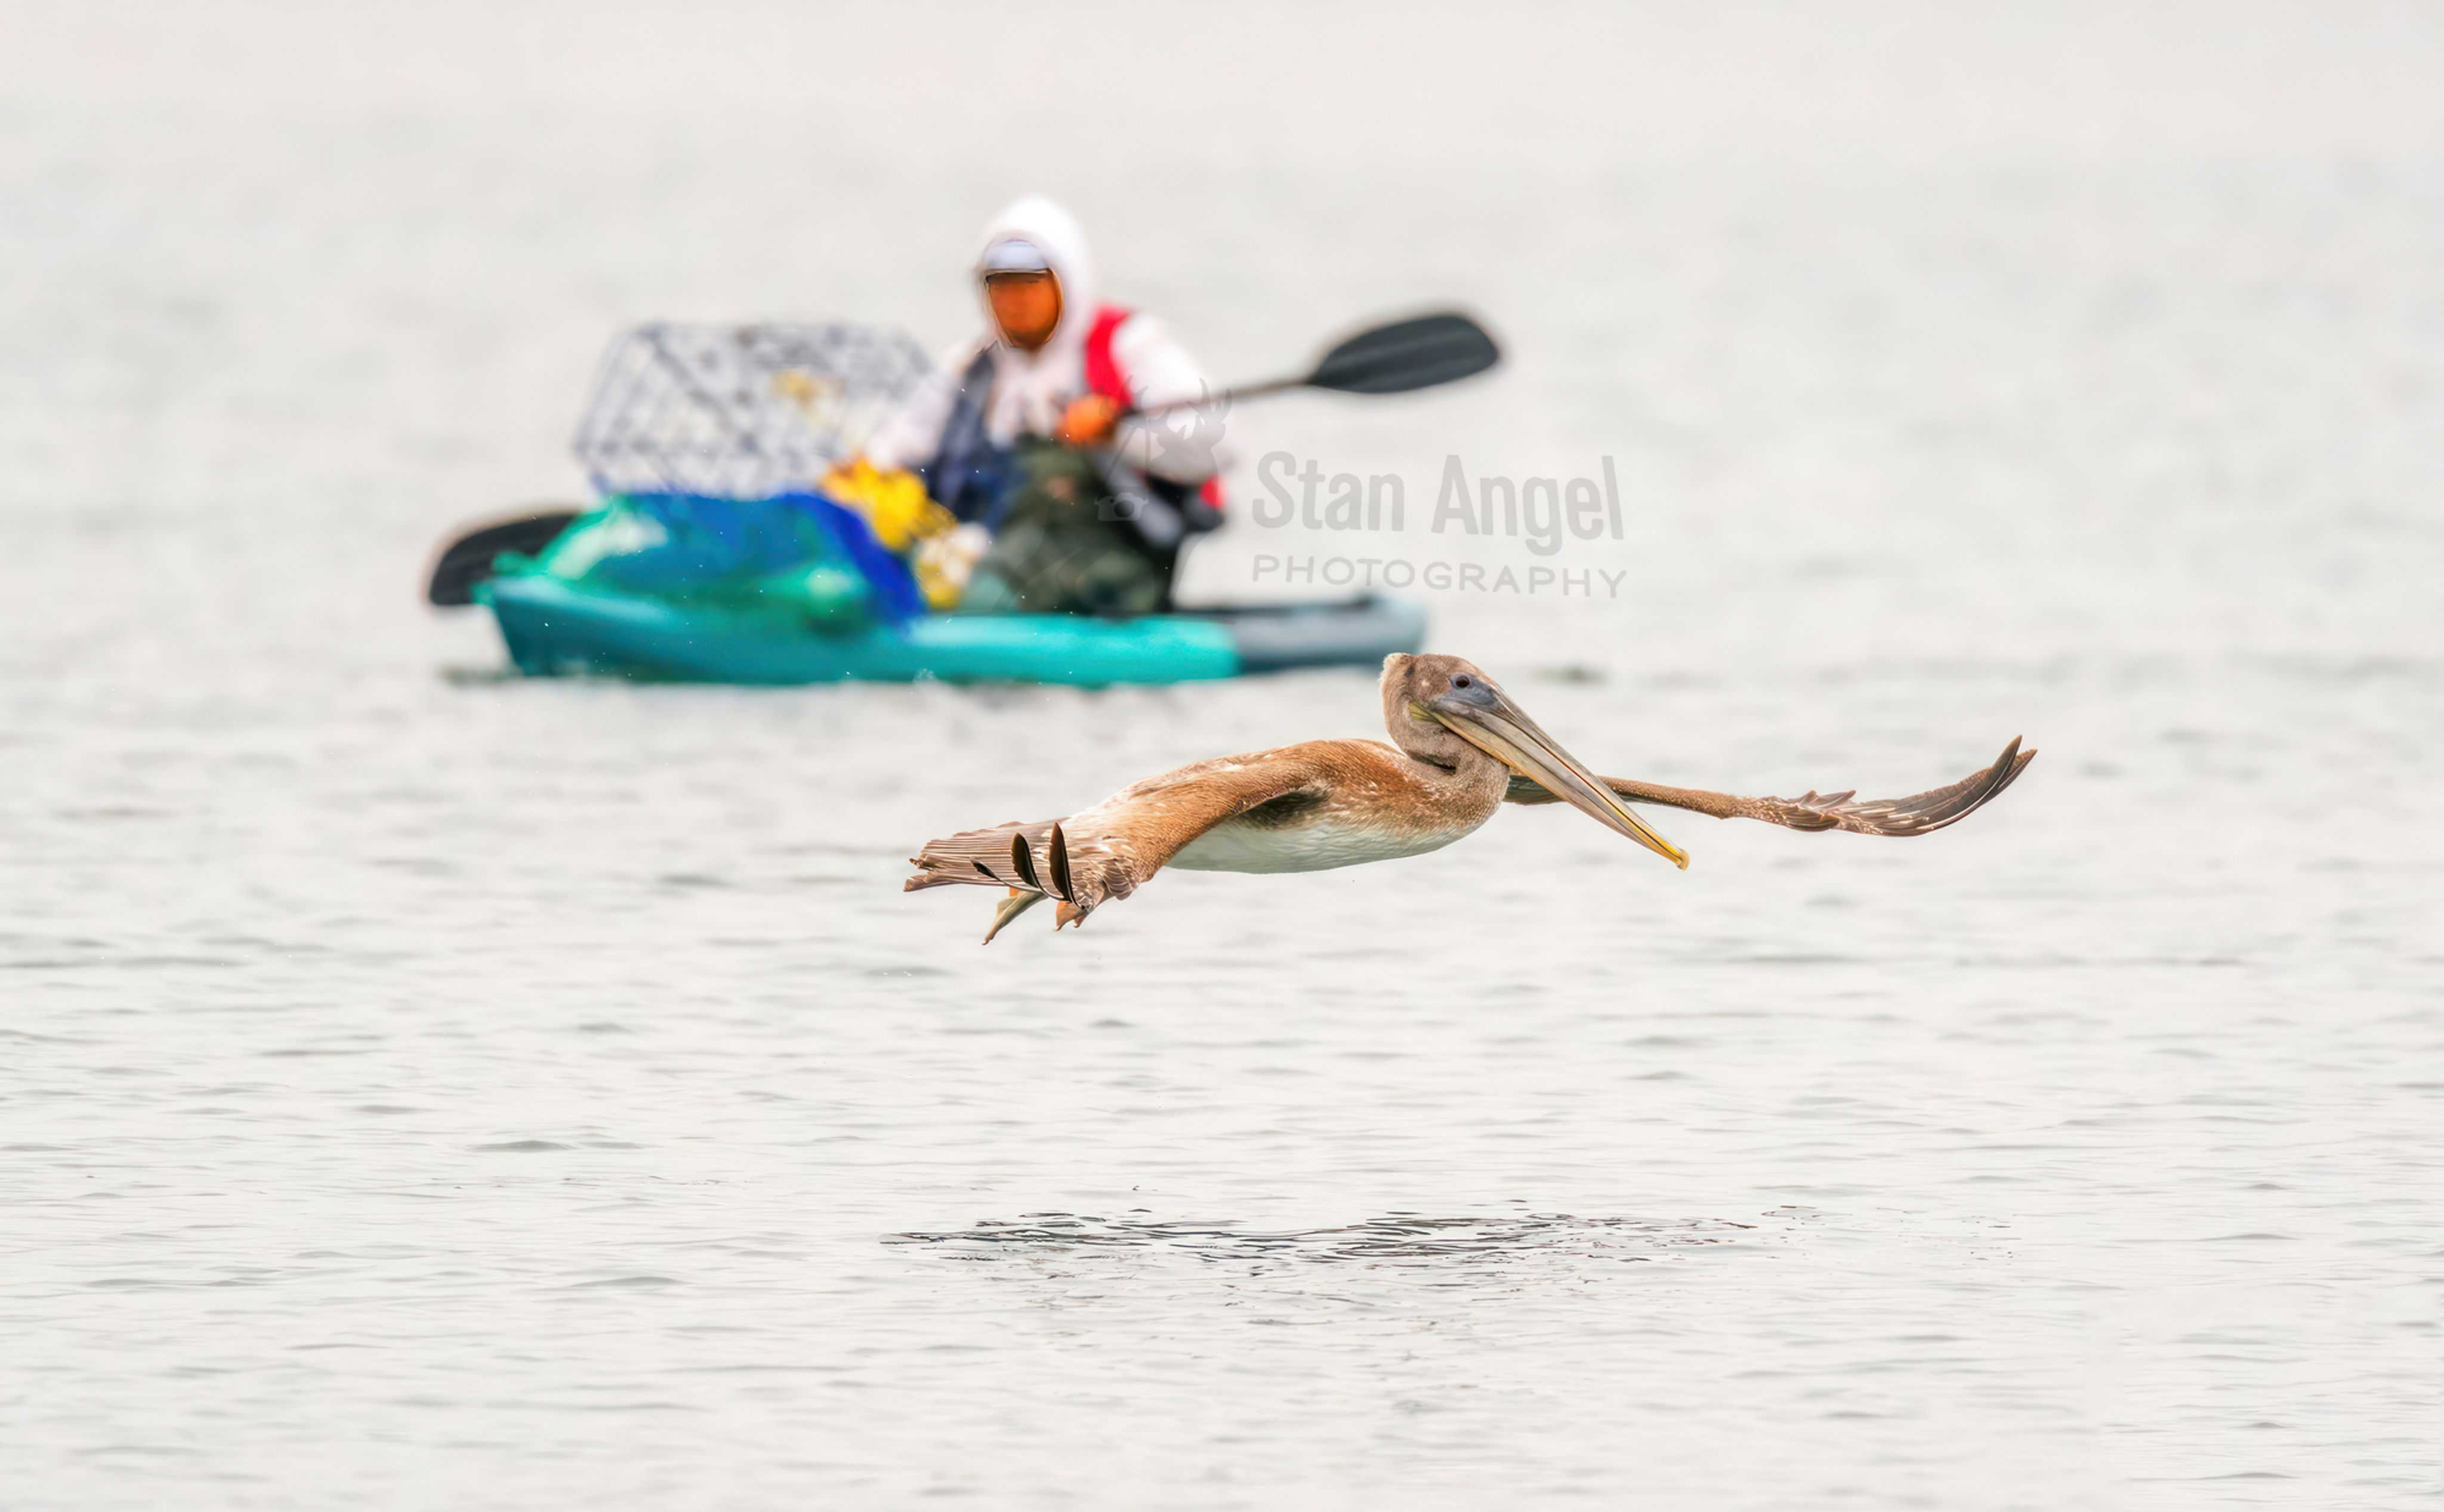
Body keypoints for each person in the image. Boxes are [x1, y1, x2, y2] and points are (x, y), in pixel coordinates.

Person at [863, 196, 1232, 614]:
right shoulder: (972, 368)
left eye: (1031, 284)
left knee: (985, 598)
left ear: (1066, 282)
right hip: (994, 549)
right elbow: (891, 454)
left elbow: (1220, 445)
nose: (1016, 301)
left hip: (1110, 557)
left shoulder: (1127, 345)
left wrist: (1118, 433)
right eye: (1000, 285)